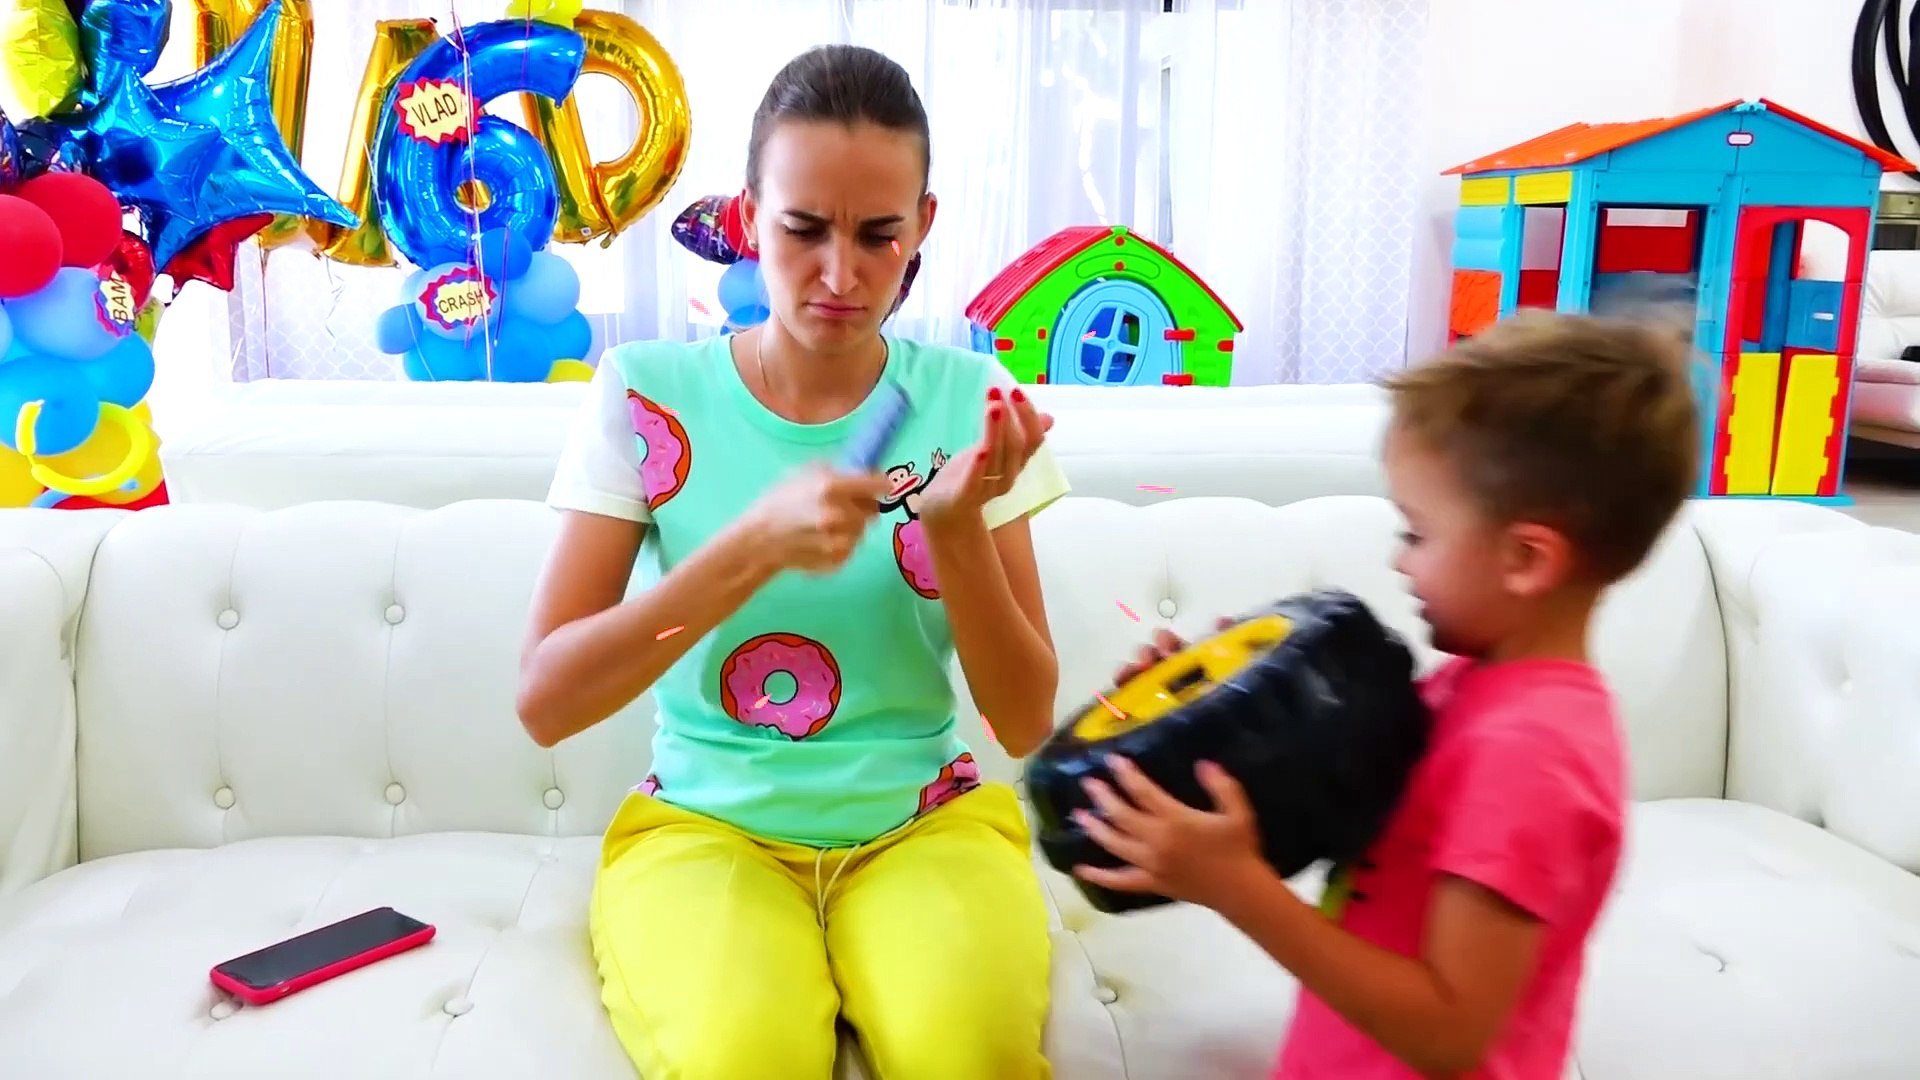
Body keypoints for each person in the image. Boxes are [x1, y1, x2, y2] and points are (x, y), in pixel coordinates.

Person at [517, 44, 1069, 1080]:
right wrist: (747, 551)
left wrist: (954, 532)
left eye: (879, 236)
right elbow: (546, 700)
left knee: (971, 1056)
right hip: (705, 830)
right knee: (745, 1058)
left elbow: (1028, 718)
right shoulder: (646, 392)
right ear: (746, 217)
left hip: (923, 826)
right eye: (803, 230)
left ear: (924, 227)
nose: (840, 275)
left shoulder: (966, 397)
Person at [1075, 310, 1700, 1079]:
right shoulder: (1476, 686)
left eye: (1418, 533)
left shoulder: (1533, 755)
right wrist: (1188, 715)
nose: (1401, 564)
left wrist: (1238, 892)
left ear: (1525, 558)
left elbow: (1448, 1032)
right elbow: (1345, 826)